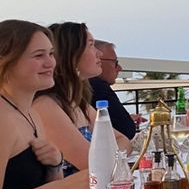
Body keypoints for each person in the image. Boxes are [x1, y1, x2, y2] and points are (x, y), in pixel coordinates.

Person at [0, 20, 89, 189]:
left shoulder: (30, 113)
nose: (50, 63)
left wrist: (55, 166)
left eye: (50, 54)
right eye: (38, 55)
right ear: (6, 62)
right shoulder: (3, 119)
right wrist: (64, 187)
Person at [34, 22, 130, 172]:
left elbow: (123, 140)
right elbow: (94, 166)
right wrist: (115, 156)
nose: (99, 53)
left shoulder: (77, 103)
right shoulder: (46, 106)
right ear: (71, 55)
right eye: (91, 45)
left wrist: (111, 157)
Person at [89, 40, 136, 140]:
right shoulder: (98, 88)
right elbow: (126, 130)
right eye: (115, 62)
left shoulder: (78, 90)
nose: (119, 68)